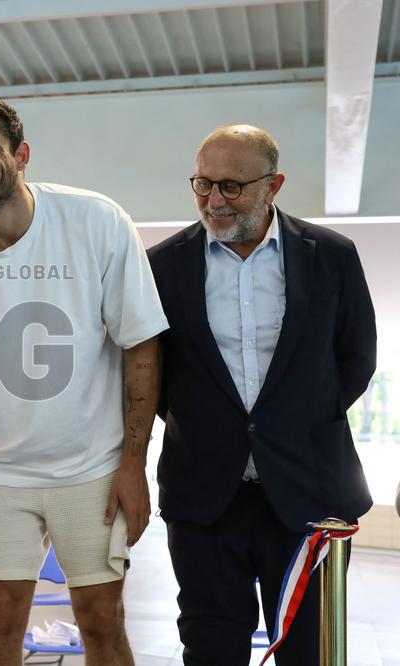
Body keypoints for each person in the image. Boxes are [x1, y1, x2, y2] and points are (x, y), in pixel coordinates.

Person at [0, 92, 168, 665]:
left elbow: (141, 345)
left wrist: (134, 464)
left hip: (91, 464)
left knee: (101, 623)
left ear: (22, 155)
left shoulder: (96, 220)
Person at [147, 124, 376, 664]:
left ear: (273, 185)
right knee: (210, 649)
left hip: (309, 496)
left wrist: (295, 421)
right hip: (205, 499)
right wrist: (207, 423)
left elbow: (357, 358)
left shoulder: (331, 255)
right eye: (203, 184)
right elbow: (152, 376)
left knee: (309, 651)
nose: (214, 200)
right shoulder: (162, 266)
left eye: (232, 186)